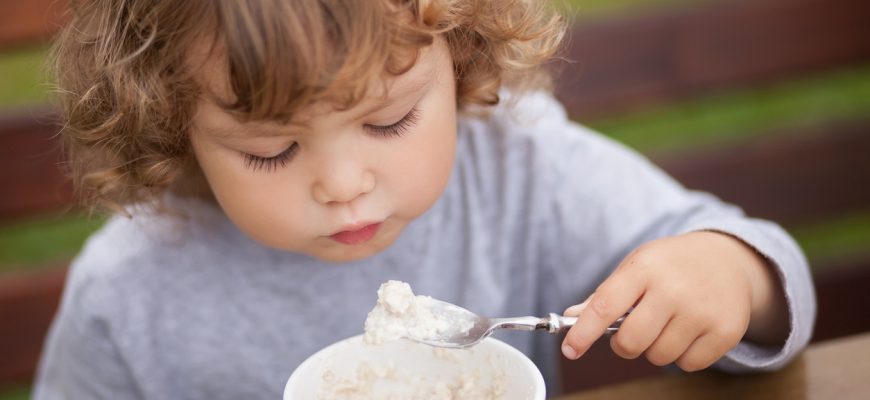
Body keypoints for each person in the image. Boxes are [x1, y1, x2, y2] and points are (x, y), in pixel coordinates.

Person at [34, 0, 815, 398]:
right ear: (172, 127)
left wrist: (728, 275)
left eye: (389, 119)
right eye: (270, 150)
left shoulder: (517, 170)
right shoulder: (130, 296)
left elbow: (762, 274)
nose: (343, 185)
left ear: (460, 58)